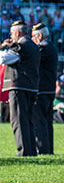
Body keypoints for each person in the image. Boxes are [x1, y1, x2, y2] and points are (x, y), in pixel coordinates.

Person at [1, 20, 40, 156]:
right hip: (31, 87)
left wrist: (3, 46)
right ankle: (30, 151)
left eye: (12, 33)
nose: (10, 36)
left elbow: (4, 58)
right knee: (28, 120)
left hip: (19, 86)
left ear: (17, 33)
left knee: (18, 120)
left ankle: (23, 151)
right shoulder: (33, 46)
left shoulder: (20, 45)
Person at [31, 23, 57, 155]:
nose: (32, 41)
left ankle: (42, 149)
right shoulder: (51, 47)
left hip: (41, 90)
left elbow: (33, 60)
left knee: (39, 121)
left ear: (39, 36)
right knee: (47, 121)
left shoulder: (43, 48)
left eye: (33, 37)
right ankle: (48, 149)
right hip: (49, 90)